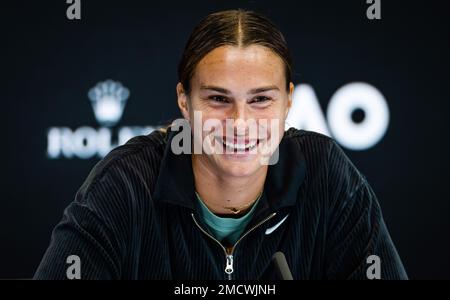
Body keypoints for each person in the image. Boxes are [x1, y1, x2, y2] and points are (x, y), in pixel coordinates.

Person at [34, 9, 407, 280]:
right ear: (184, 101)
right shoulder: (125, 184)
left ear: (289, 101)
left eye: (260, 99)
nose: (240, 123)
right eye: (217, 99)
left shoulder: (326, 173)